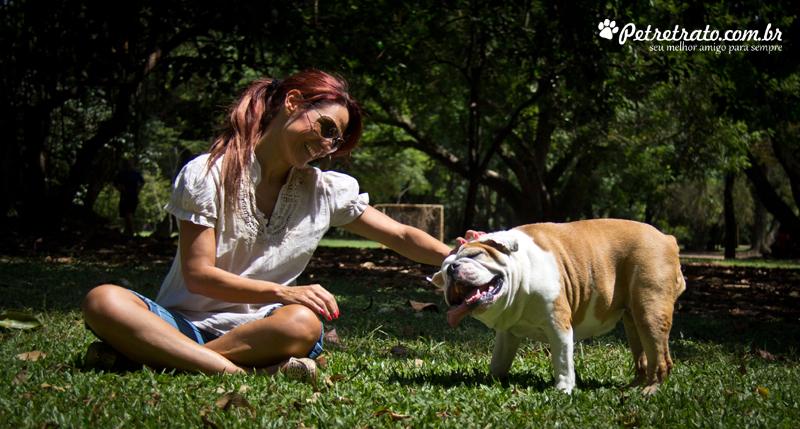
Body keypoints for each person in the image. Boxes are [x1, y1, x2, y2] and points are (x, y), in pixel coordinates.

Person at [82, 70, 456, 383]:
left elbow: (402, 235)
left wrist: (460, 256)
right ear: (292, 103)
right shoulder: (207, 174)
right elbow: (198, 276)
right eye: (326, 127)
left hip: (260, 332)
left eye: (335, 140)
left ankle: (159, 358)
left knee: (303, 324)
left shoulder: (323, 191)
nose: (326, 145)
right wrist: (285, 292)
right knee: (103, 300)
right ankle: (240, 373)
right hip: (178, 323)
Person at [113, 159, 145, 236]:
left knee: (129, 215)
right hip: (124, 197)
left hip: (133, 197)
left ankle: (131, 234)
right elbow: (115, 183)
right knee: (126, 217)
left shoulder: (135, 174)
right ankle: (129, 233)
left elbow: (142, 182)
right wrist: (119, 188)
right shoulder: (121, 174)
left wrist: (138, 189)